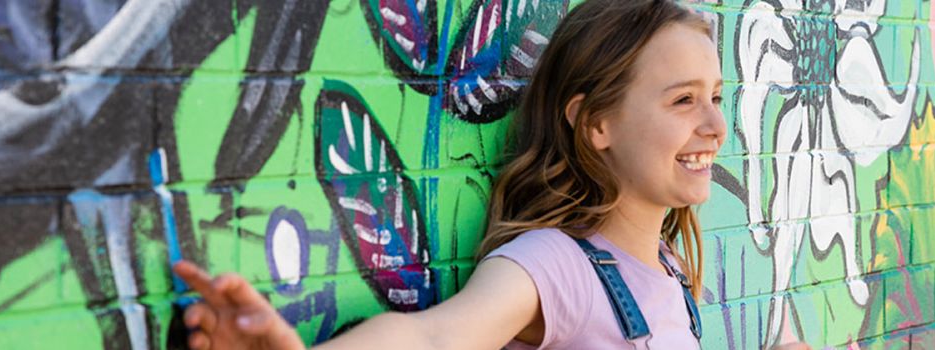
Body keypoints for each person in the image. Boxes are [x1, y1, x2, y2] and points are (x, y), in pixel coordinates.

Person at [171, 1, 809, 349]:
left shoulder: (669, 271)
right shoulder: (557, 266)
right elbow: (433, 336)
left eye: (717, 96)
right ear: (595, 124)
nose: (717, 126)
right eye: (682, 100)